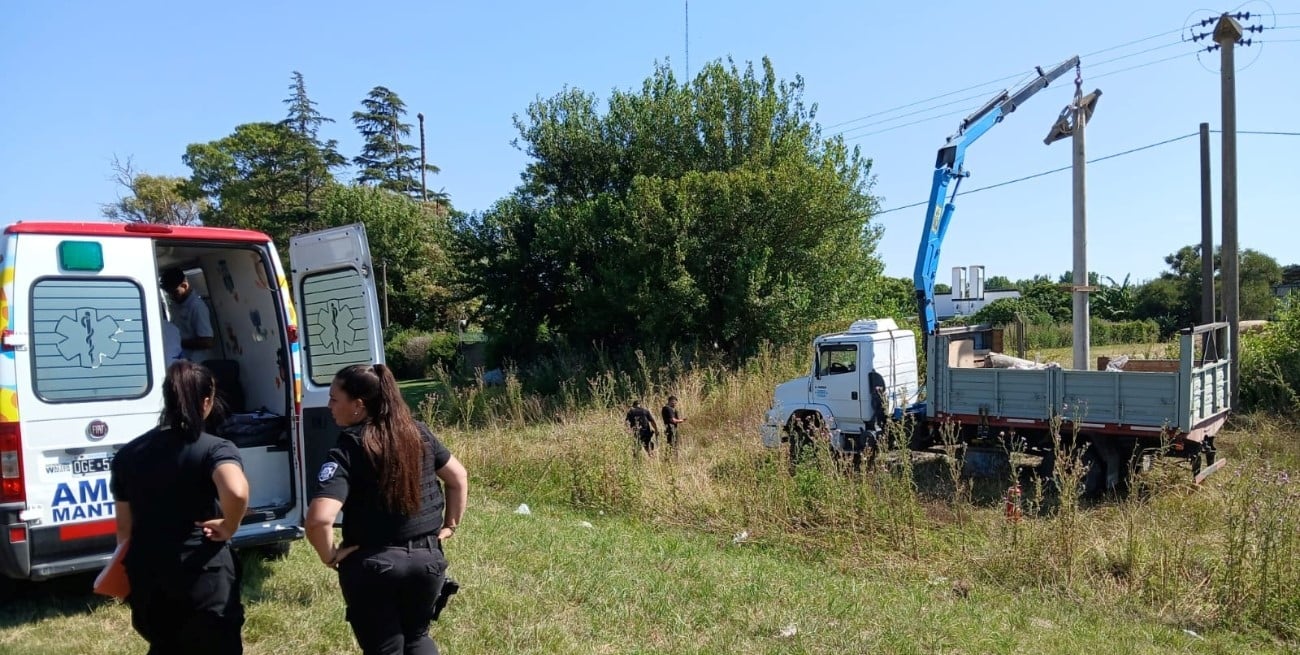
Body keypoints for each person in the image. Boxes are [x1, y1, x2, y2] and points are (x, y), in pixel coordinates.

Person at [307, 363, 469, 655]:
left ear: (358, 405)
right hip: (427, 561)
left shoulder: (348, 449)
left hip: (374, 566)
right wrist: (450, 525)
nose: (328, 405)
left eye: (333, 398)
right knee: (417, 636)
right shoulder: (419, 434)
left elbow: (319, 520)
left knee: (385, 646)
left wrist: (329, 556)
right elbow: (458, 477)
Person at [109, 360, 250, 655]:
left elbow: (124, 529)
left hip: (150, 576)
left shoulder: (127, 455)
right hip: (203, 577)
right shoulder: (215, 447)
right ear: (207, 401)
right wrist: (229, 525)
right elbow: (236, 491)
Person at [160, 267, 215, 362]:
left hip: (196, 361)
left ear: (184, 286)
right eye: (169, 293)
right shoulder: (175, 304)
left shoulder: (197, 307)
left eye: (174, 293)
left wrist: (178, 342)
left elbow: (207, 342)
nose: (171, 297)